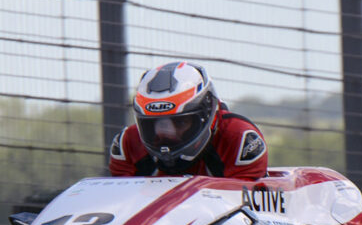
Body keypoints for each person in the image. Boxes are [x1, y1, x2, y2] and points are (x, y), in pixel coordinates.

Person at [108, 61, 268, 180]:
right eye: (155, 124)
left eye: (180, 123)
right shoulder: (128, 143)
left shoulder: (240, 139)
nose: (167, 134)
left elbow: (247, 212)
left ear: (206, 113)